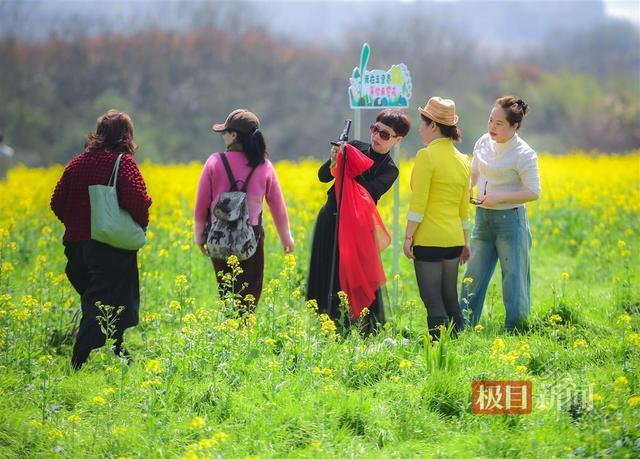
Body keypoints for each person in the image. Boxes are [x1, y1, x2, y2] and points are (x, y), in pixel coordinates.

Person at [50, 109, 152, 369]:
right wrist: (139, 225)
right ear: (126, 135)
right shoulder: (123, 162)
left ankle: (120, 353)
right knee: (103, 304)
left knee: (102, 301)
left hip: (75, 247)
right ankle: (77, 362)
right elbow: (138, 200)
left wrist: (77, 225)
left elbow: (57, 202)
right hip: (109, 247)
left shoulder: (76, 162)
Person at [306, 109, 411, 334]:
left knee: (358, 278)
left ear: (398, 139)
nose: (376, 136)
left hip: (357, 229)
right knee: (326, 274)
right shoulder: (353, 145)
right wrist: (335, 159)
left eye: (385, 134)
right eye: (375, 129)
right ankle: (327, 325)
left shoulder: (390, 170)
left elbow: (367, 193)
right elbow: (324, 176)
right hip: (331, 218)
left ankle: (362, 326)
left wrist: (350, 162)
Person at [194, 109, 294, 316]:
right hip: (252, 238)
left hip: (218, 236)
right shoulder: (264, 166)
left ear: (234, 135)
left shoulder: (214, 162)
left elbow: (201, 203)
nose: (223, 136)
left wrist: (199, 236)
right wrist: (286, 239)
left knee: (226, 291)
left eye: (225, 132)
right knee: (250, 292)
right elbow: (277, 207)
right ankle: (243, 331)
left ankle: (230, 332)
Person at [460, 96, 541, 331]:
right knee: (472, 274)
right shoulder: (483, 142)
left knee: (513, 278)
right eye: (490, 120)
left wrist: (499, 198)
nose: (491, 127)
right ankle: (464, 326)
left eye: (499, 123)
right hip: (482, 220)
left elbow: (533, 191)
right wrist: (469, 187)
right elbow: (475, 172)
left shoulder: (524, 153)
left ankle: (516, 328)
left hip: (511, 222)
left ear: (515, 126)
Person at [403, 97, 470, 342]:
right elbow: (464, 208)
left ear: (433, 126)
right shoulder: (463, 160)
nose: (419, 128)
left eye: (422, 123)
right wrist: (465, 241)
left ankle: (438, 353)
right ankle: (461, 347)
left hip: (429, 239)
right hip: (453, 239)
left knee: (432, 301)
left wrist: (409, 236)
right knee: (450, 297)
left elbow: (418, 204)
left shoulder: (426, 156)